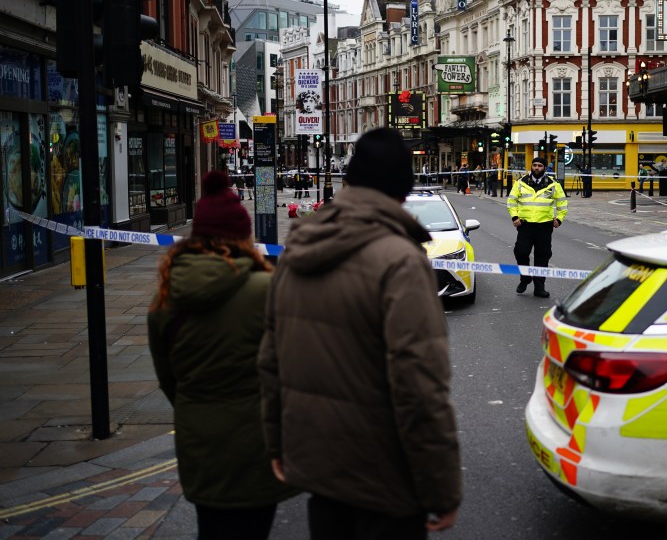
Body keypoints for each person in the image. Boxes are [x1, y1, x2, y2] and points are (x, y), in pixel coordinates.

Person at [259, 128, 462, 540]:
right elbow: (420, 386)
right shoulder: (401, 261)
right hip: (383, 481)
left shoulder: (299, 247)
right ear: (402, 190)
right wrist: (441, 488)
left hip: (319, 471)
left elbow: (271, 360)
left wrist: (277, 445)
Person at [147, 171, 298, 540]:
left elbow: (169, 380)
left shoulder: (165, 299)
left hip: (200, 446)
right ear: (243, 237)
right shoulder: (268, 289)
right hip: (257, 446)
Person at [508, 156, 568, 298]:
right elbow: (512, 201)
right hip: (525, 225)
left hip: (544, 226)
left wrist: (559, 219)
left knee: (542, 256)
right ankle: (525, 277)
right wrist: (515, 217)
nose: (536, 168)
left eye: (540, 165)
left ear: (545, 168)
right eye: (534, 165)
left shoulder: (553, 184)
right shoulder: (521, 183)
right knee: (521, 252)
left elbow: (562, 204)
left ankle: (539, 288)